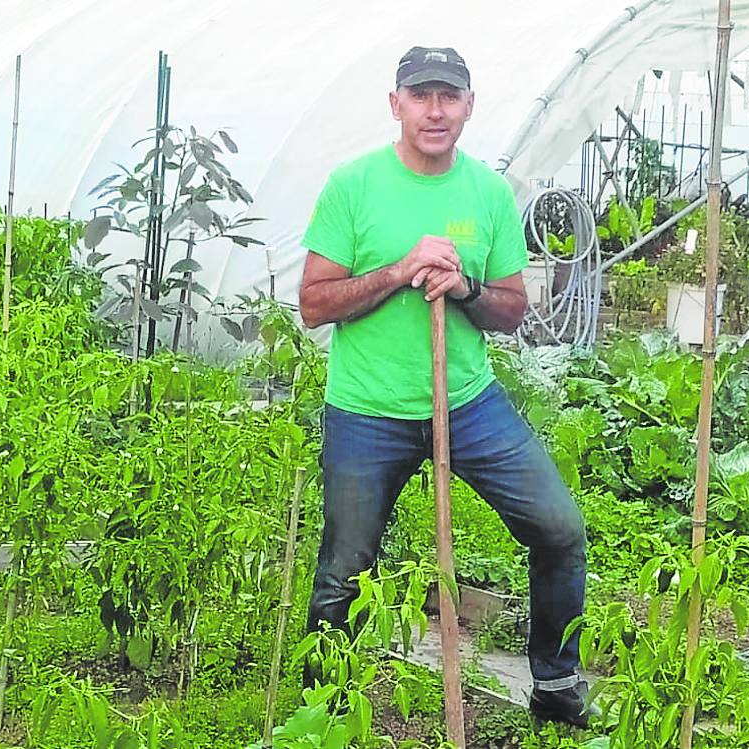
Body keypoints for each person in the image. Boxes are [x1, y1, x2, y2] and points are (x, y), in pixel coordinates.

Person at [297, 45, 594, 727]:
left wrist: (464, 287)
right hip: (367, 410)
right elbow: (315, 303)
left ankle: (553, 682)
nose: (436, 110)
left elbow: (513, 308)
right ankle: (321, 711)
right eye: (422, 96)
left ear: (468, 106)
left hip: (465, 401)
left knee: (558, 527)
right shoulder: (355, 186)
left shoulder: (487, 195)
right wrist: (401, 269)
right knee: (345, 569)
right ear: (396, 104)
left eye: (449, 97)